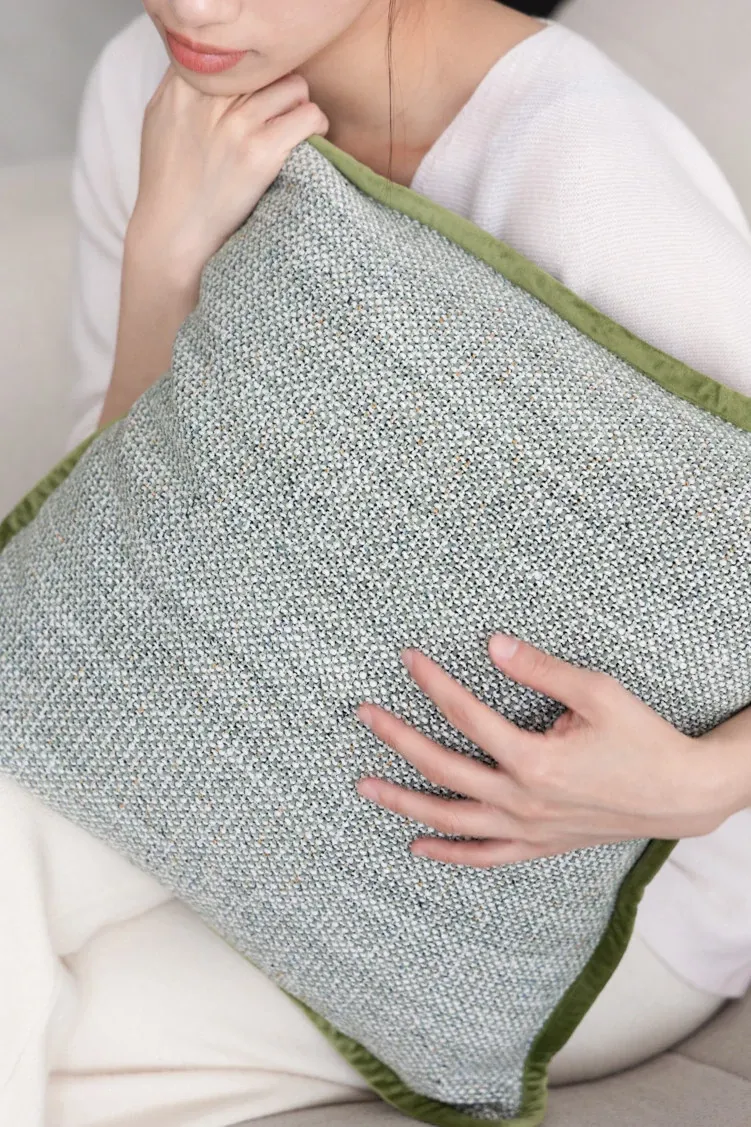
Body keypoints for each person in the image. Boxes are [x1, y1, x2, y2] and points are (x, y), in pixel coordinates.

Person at [3, 2, 751, 1125]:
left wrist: (696, 785)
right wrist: (163, 261)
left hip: (588, 886)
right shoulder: (152, 89)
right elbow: (106, 549)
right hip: (238, 724)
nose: (195, 7)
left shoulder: (582, 166)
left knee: (55, 1047)